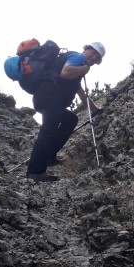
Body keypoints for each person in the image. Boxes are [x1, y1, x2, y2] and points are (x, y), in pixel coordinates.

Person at [26, 42, 105, 182]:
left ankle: (49, 155)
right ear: (86, 48)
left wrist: (95, 110)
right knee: (48, 130)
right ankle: (35, 172)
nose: (94, 57)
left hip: (47, 98)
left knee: (70, 120)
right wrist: (85, 68)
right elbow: (66, 72)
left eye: (97, 57)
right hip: (49, 96)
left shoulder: (79, 68)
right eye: (93, 52)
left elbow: (81, 94)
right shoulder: (78, 58)